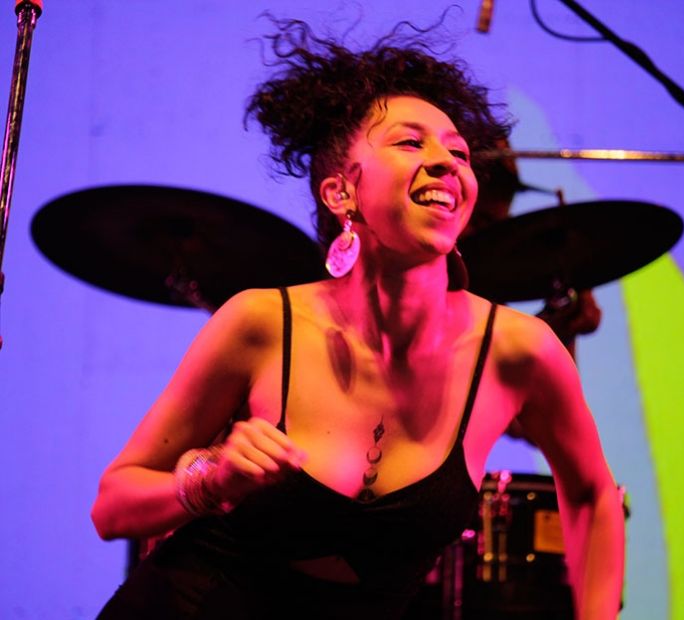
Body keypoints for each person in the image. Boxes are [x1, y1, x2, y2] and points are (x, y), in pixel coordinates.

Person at [91, 15, 625, 620]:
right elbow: (113, 506)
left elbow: (592, 496)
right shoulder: (261, 322)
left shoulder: (518, 350)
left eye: (458, 152)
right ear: (340, 192)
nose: (447, 162)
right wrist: (208, 481)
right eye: (410, 143)